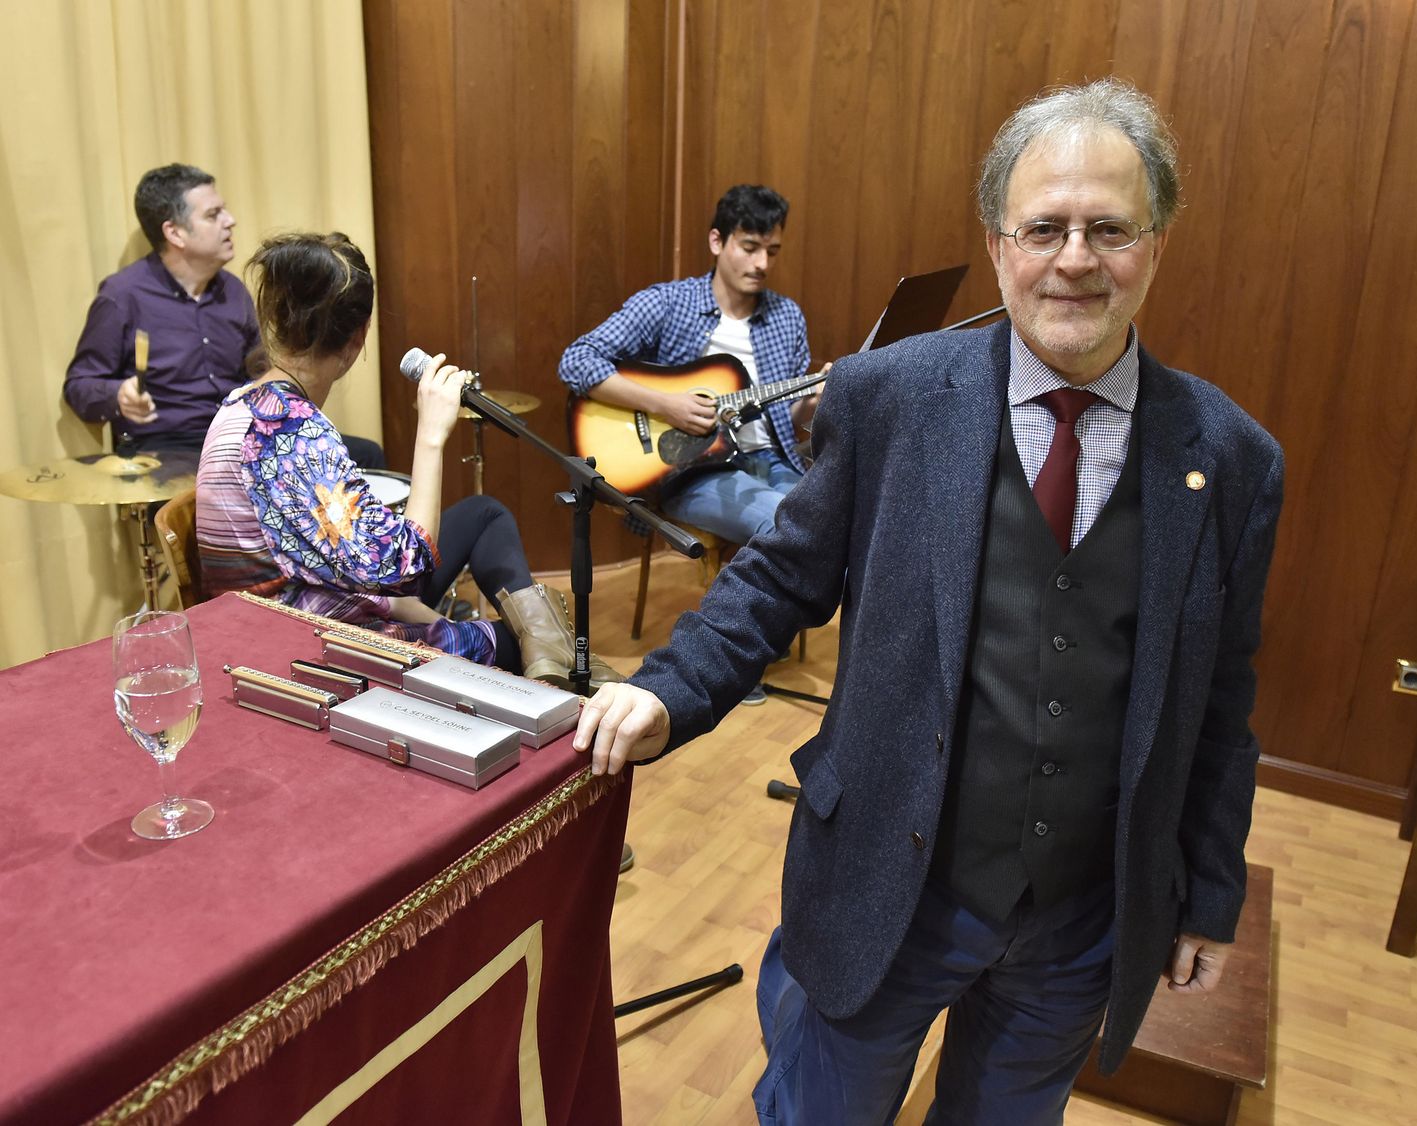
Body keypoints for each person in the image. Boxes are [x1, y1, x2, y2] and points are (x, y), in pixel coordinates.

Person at [573, 78, 1284, 1124]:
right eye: (1043, 228)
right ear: (997, 246)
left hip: (1082, 922)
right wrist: (668, 690)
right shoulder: (890, 396)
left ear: (1157, 245)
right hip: (884, 888)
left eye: (1109, 229)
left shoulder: (1230, 458)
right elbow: (778, 577)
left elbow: (1221, 701)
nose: (1075, 259)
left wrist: (1210, 893)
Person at [195, 231, 617, 686]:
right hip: (308, 643)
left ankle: (549, 649)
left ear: (274, 319)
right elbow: (398, 574)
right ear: (359, 336)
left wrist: (415, 609)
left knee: (484, 514)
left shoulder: (247, 404)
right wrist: (431, 436)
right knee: (527, 646)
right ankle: (555, 657)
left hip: (309, 602)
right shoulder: (291, 431)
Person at [65, 164, 383, 468]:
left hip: (237, 433)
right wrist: (117, 396)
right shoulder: (123, 295)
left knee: (365, 454)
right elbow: (79, 385)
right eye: (213, 214)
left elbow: (261, 369)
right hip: (167, 448)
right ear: (175, 233)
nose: (230, 221)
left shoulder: (231, 291)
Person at [559, 184, 815, 544]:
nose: (762, 264)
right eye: (749, 248)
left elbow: (785, 419)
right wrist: (665, 405)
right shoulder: (669, 303)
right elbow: (576, 360)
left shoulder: (786, 317)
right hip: (693, 471)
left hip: (773, 460)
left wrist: (813, 400)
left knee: (830, 526)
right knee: (788, 526)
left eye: (772, 252)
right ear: (716, 241)